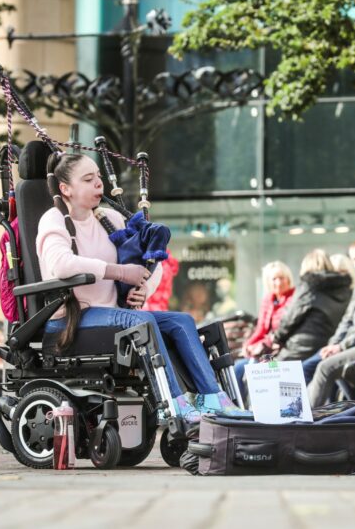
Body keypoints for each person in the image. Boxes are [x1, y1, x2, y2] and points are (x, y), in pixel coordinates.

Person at [36, 152, 238, 423]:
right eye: (88, 179)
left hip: (112, 313)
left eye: (98, 176)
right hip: (71, 319)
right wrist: (119, 272)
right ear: (66, 189)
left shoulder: (110, 219)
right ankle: (174, 405)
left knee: (182, 321)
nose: (99, 184)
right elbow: (61, 264)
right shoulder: (54, 219)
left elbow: (152, 263)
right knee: (141, 321)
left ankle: (213, 398)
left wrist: (145, 288)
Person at [305, 239, 355, 407]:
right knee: (318, 362)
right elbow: (347, 319)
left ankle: (305, 421)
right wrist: (334, 343)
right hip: (349, 343)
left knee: (325, 367)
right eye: (354, 259)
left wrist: (341, 346)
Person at [271, 249, 352, 362]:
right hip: (330, 345)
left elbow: (290, 317)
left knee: (266, 374)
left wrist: (277, 338)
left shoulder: (308, 285)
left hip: (303, 346)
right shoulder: (345, 288)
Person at [233, 261, 295, 399]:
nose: (278, 282)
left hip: (279, 351)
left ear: (288, 279)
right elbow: (261, 329)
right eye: (274, 279)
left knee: (248, 369)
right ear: (268, 281)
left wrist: (258, 347)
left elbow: (281, 333)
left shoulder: (293, 299)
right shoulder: (268, 299)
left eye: (282, 278)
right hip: (264, 350)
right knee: (236, 369)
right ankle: (239, 410)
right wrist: (248, 345)